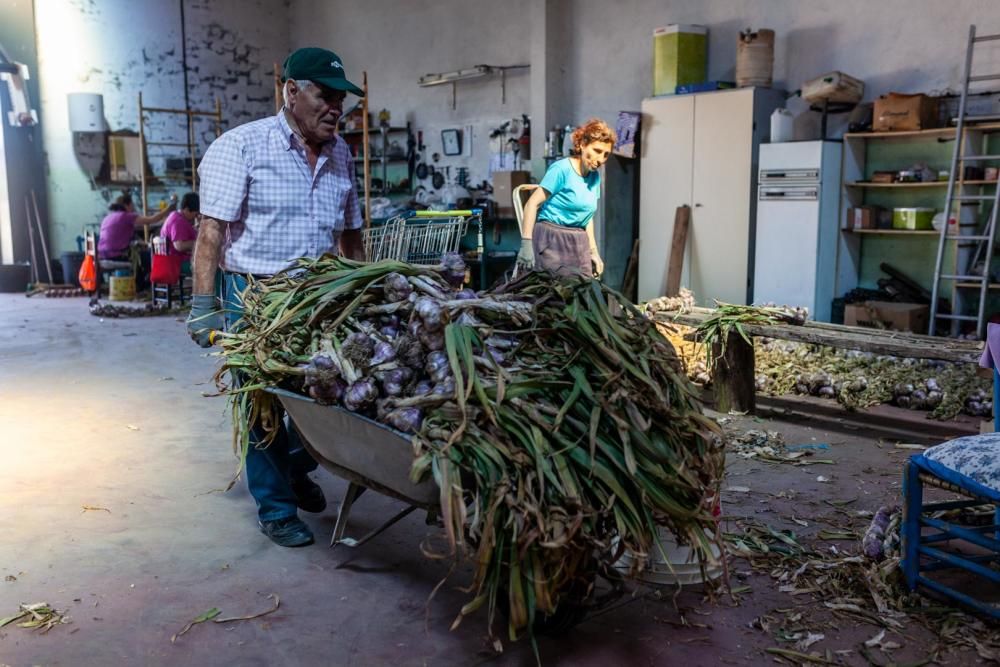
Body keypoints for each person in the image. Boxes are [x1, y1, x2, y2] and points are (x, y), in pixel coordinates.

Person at [185, 47, 366, 548]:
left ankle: (293, 464)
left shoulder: (342, 153)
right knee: (262, 404)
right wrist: (205, 304)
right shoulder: (241, 146)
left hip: (320, 294)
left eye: (340, 100)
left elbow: (351, 232)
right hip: (255, 296)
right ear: (291, 90)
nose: (335, 108)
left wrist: (362, 286)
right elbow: (211, 232)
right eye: (323, 95)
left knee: (329, 395)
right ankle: (275, 506)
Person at [517, 119, 616, 277]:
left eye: (606, 154)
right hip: (551, 240)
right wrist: (526, 244)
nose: (601, 159)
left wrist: (594, 252)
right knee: (555, 294)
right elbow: (532, 204)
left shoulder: (594, 177)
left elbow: (587, 216)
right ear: (583, 144)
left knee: (584, 292)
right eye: (597, 151)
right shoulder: (561, 169)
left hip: (578, 241)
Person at [98, 193, 174, 288]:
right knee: (149, 256)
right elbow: (151, 220)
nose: (133, 207)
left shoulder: (108, 217)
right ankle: (144, 284)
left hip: (102, 255)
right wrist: (168, 209)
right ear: (126, 205)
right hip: (116, 255)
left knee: (142, 254)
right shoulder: (126, 216)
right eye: (132, 205)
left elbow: (120, 238)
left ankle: (142, 283)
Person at [159, 192, 199, 262]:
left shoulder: (176, 216)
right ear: (187, 209)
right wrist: (199, 243)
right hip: (177, 262)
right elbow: (179, 246)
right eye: (195, 214)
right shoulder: (178, 221)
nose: (195, 217)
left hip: (176, 260)